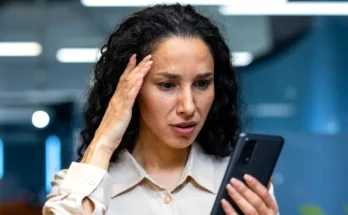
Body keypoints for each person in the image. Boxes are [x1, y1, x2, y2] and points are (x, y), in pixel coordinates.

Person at [43, 4, 280, 215]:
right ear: (130, 90)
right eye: (167, 85)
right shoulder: (80, 187)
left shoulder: (240, 187)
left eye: (201, 84)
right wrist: (103, 139)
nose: (188, 107)